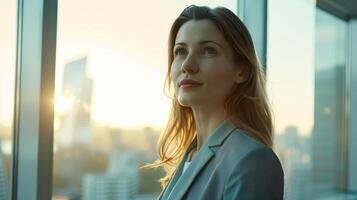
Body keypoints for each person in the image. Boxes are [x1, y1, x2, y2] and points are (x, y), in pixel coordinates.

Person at [145, 5, 284, 200]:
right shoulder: (191, 156)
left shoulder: (252, 161)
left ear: (241, 71)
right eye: (180, 51)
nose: (187, 65)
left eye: (208, 50)